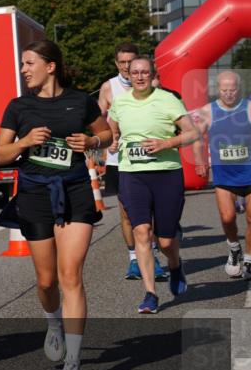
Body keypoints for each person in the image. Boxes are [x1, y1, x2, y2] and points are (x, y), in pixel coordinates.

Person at [0, 40, 111, 370]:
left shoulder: (80, 101)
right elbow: (1, 154)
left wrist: (91, 143)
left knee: (70, 275)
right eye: (22, 64)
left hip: (75, 191)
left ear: (51, 66)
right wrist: (24, 141)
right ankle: (54, 322)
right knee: (46, 281)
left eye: (29, 63)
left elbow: (106, 133)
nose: (23, 70)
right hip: (34, 195)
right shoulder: (18, 106)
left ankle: (73, 363)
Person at [108, 56, 200, 315]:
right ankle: (150, 294)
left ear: (152, 74)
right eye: (135, 72)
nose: (139, 77)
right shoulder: (120, 102)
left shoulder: (168, 100)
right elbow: (112, 126)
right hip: (132, 174)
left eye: (144, 72)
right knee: (142, 231)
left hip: (166, 174)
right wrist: (112, 140)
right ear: (128, 75)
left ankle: (175, 264)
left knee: (166, 241)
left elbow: (193, 132)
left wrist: (166, 143)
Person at [98, 42, 167, 281]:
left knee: (152, 211)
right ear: (116, 64)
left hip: (150, 158)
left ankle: (153, 256)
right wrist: (108, 140)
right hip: (120, 161)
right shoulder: (108, 87)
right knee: (127, 212)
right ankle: (134, 259)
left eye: (131, 61)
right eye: (123, 62)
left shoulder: (153, 84)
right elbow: (98, 121)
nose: (127, 67)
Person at [190, 70, 251, 279]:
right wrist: (199, 160)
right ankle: (234, 248)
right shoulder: (208, 111)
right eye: (224, 90)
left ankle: (249, 259)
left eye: (232, 90)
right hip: (224, 174)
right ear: (217, 90)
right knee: (227, 217)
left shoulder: (248, 107)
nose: (228, 94)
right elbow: (197, 138)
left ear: (238, 89)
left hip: (249, 171)